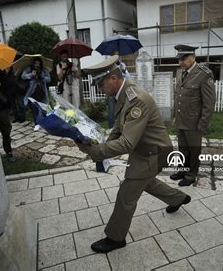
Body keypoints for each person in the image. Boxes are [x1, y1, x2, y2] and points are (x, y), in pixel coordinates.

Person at [75, 56, 190, 253]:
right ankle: (178, 198)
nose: (99, 89)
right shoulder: (124, 95)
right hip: (144, 150)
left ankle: (115, 238)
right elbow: (119, 129)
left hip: (154, 153)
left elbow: (127, 143)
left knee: (127, 193)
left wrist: (96, 152)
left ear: (113, 78)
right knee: (146, 182)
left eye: (100, 84)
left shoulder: (136, 100)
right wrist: (100, 143)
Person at [169, 45, 216, 186]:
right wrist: (175, 115)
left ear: (193, 57)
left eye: (184, 59)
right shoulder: (179, 72)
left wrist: (203, 123)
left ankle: (191, 175)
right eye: (179, 59)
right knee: (182, 148)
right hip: (181, 119)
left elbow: (209, 102)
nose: (181, 62)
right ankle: (182, 170)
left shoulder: (203, 74)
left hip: (194, 121)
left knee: (194, 149)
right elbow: (178, 95)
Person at [21, 59, 51, 131]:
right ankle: (37, 124)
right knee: (35, 110)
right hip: (32, 93)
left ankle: (45, 123)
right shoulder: (29, 69)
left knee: (44, 109)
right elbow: (23, 76)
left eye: (38, 63)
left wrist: (42, 77)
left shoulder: (43, 70)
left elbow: (49, 79)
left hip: (42, 92)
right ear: (33, 63)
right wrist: (31, 74)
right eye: (36, 63)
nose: (37, 65)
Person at [108, 51, 130, 128]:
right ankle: (111, 128)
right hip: (112, 91)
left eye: (118, 56)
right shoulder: (109, 65)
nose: (117, 57)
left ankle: (120, 127)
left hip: (120, 91)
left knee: (121, 109)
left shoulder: (122, 65)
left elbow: (128, 76)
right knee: (112, 110)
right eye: (115, 56)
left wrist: (123, 70)